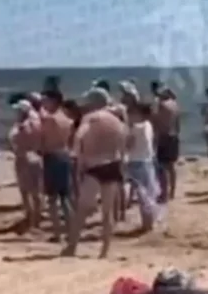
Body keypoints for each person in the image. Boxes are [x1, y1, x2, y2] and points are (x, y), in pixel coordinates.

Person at [64, 88, 128, 258]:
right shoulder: (116, 120)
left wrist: (77, 157)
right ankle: (104, 251)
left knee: (82, 209)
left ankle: (72, 247)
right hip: (112, 165)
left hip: (94, 166)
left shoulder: (91, 118)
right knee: (107, 212)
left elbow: (80, 137)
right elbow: (123, 143)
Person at [40, 90, 74, 241]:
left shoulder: (50, 120)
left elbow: (44, 140)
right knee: (65, 197)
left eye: (46, 100)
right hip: (65, 155)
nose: (44, 103)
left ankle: (57, 233)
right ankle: (71, 231)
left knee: (52, 199)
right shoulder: (66, 119)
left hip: (52, 157)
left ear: (54, 101)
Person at [126, 102, 162, 233]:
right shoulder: (148, 125)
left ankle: (146, 224)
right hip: (147, 161)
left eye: (132, 113)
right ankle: (149, 223)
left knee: (142, 195)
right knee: (149, 193)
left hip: (136, 162)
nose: (129, 116)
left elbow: (129, 146)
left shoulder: (135, 128)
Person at [9, 98, 44, 232]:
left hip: (24, 157)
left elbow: (16, 141)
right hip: (36, 156)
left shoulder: (22, 126)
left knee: (25, 190)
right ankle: (37, 218)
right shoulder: (37, 122)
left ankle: (30, 217)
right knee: (36, 191)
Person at [153, 87, 180, 202]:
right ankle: (172, 192)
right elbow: (178, 124)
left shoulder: (162, 105)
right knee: (171, 166)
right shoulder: (175, 105)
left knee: (161, 167)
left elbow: (157, 122)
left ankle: (164, 194)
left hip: (164, 137)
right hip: (174, 136)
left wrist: (154, 138)